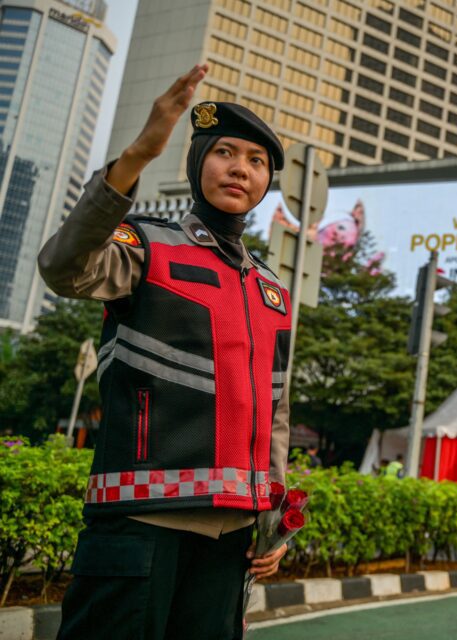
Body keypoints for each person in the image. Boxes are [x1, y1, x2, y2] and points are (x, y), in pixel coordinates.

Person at [38, 65, 291, 639]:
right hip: (137, 525)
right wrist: (136, 157)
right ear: (197, 161)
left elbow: (273, 412)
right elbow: (62, 268)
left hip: (230, 539)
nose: (240, 168)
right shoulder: (146, 244)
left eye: (256, 161)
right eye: (225, 152)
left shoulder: (272, 291)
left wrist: (272, 518)